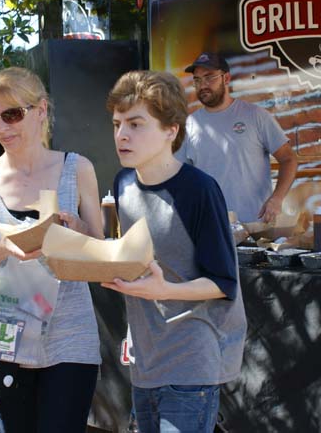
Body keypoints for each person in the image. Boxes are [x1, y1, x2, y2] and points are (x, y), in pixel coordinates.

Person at [0, 66, 104, 433]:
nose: (2, 128)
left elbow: (99, 253)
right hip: (2, 336)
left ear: (41, 110)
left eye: (12, 114)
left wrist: (78, 230)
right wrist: (2, 247)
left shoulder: (78, 169)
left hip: (70, 336)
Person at [103, 70, 247, 433]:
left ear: (171, 130)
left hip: (190, 360)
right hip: (143, 362)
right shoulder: (122, 184)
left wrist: (164, 290)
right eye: (117, 123)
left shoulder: (200, 190)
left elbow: (222, 281)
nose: (122, 134)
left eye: (136, 124)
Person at [177, 52, 298, 223]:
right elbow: (181, 177)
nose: (202, 85)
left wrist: (276, 199)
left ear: (226, 78)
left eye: (209, 77)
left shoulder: (255, 116)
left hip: (255, 228)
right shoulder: (190, 124)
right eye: (197, 80)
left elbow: (289, 159)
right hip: (209, 227)